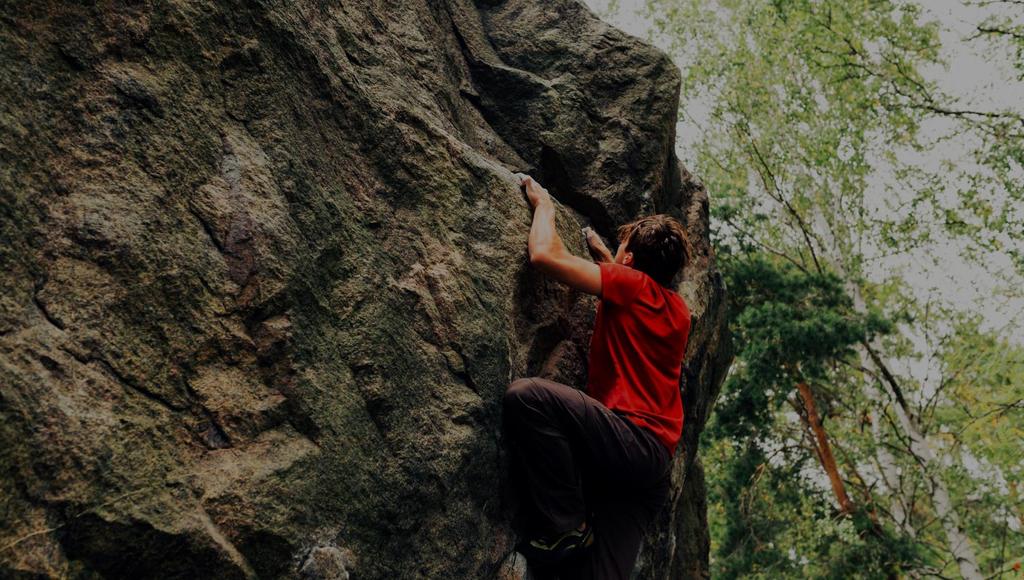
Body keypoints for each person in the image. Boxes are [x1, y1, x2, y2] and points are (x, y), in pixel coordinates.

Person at [503, 173, 692, 579]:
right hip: (652, 469)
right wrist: (606, 254)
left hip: (626, 441)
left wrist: (545, 206)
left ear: (629, 262)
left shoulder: (630, 283)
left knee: (528, 397)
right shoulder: (679, 313)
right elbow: (633, 299)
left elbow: (544, 257)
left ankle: (567, 526)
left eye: (623, 250)